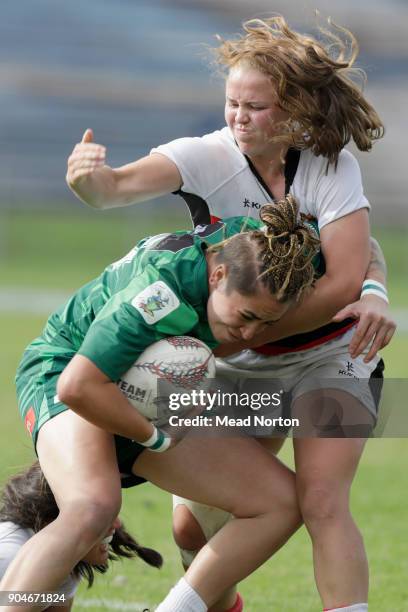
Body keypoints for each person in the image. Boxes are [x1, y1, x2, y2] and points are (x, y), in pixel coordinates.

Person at [65, 15, 396, 612]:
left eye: (256, 106)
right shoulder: (205, 157)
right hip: (247, 369)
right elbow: (116, 189)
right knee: (193, 529)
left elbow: (347, 273)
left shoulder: (329, 164)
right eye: (231, 103)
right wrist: (94, 184)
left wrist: (369, 294)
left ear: (293, 111)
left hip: (330, 358)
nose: (238, 117)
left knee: (323, 501)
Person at [1, 198, 323, 612]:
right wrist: (154, 438)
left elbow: (355, 248)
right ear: (218, 274)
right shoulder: (158, 293)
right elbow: (76, 387)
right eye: (245, 316)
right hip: (67, 370)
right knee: (93, 507)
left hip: (140, 392)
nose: (250, 334)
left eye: (266, 323)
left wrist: (372, 290)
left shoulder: (275, 256)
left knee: (279, 502)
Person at [0, 462, 162, 612]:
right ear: (51, 523)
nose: (117, 524)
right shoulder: (10, 558)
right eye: (99, 513)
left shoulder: (62, 563)